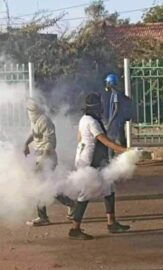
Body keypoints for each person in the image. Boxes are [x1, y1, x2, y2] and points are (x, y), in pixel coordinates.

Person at [69, 93, 130, 240]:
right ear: (97, 107)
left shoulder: (83, 119)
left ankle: (112, 223)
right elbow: (104, 141)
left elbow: (79, 138)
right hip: (90, 161)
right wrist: (124, 150)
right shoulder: (93, 122)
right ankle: (74, 229)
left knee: (109, 187)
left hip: (87, 159)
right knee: (85, 193)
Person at [24, 98, 75, 226]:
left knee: (40, 186)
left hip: (47, 157)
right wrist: (26, 143)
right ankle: (70, 203)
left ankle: (43, 217)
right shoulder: (34, 121)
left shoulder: (45, 121)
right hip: (40, 156)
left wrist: (43, 162)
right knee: (48, 186)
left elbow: (50, 142)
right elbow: (34, 133)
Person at [104, 73, 132, 148]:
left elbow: (116, 108)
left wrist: (110, 121)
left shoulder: (115, 94)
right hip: (118, 121)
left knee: (113, 140)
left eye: (107, 82)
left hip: (116, 122)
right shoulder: (115, 93)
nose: (106, 84)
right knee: (119, 139)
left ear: (110, 83)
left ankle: (113, 157)